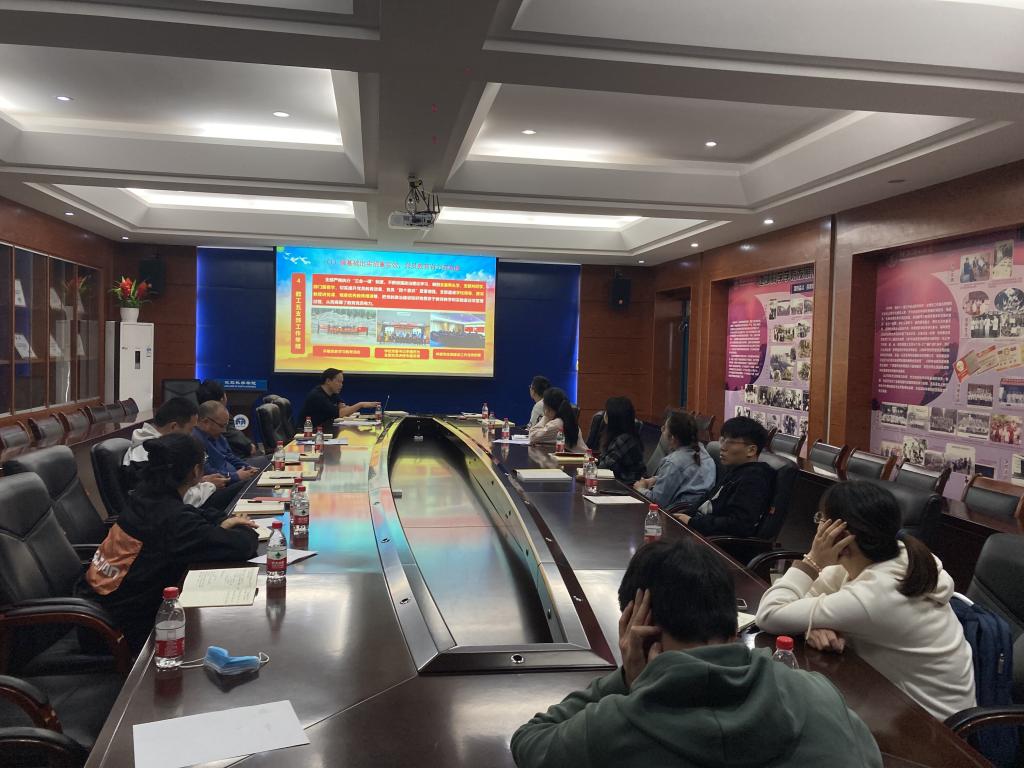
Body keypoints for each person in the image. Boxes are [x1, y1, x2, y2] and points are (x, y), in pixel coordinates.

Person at [511, 538, 883, 767]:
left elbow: (530, 741)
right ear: (733, 624)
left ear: (637, 628)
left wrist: (627, 679)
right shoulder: (819, 695)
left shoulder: (616, 726)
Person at [755, 481, 976, 720]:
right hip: (887, 698)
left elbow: (769, 614)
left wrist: (811, 561)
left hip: (928, 726)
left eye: (821, 519)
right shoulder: (887, 555)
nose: (817, 528)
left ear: (840, 535)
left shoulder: (878, 594)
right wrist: (813, 623)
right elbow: (804, 599)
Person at [78, 434, 259, 652]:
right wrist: (241, 526)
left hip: (100, 610)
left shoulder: (144, 498)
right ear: (196, 471)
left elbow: (197, 514)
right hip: (116, 631)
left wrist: (222, 522)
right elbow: (242, 545)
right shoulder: (172, 520)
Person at [674, 415, 775, 537]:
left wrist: (692, 522)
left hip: (712, 541)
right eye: (722, 440)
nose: (722, 447)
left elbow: (738, 524)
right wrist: (686, 516)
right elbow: (707, 499)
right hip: (698, 530)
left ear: (751, 450)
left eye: (730, 442)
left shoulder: (754, 480)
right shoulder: (736, 471)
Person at [123, 397, 227, 509]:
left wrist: (200, 481)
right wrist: (210, 486)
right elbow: (173, 500)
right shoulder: (149, 454)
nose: (192, 435)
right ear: (174, 427)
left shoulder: (163, 449)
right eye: (191, 429)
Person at [633, 411, 714, 507]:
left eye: (664, 428)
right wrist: (655, 479)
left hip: (674, 513)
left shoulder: (673, 463)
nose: (661, 429)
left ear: (672, 438)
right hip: (696, 510)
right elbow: (686, 478)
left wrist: (640, 489)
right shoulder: (703, 452)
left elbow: (657, 502)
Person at [193, 401, 260, 486]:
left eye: (226, 426)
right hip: (222, 485)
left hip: (233, 476)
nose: (224, 430)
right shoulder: (194, 441)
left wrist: (247, 467)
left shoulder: (217, 435)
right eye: (221, 426)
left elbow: (230, 456)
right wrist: (236, 476)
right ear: (206, 421)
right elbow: (209, 473)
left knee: (262, 468)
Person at [296, 368, 380, 430]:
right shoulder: (317, 396)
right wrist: (360, 405)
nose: (341, 385)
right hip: (308, 433)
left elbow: (345, 410)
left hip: (324, 429)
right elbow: (340, 413)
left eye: (342, 382)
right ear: (328, 381)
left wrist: (344, 410)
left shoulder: (333, 394)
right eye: (339, 382)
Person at [196, 379, 257, 459]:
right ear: (222, 398)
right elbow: (248, 447)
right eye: (222, 426)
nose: (223, 430)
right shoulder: (219, 422)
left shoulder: (197, 418)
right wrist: (249, 446)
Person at [596, 397, 645, 484]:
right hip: (618, 482)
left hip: (628, 486)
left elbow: (604, 467)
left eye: (607, 412)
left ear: (614, 417)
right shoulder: (619, 435)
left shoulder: (625, 439)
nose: (604, 414)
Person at [527, 387, 586, 451]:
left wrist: (546, 416)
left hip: (578, 457)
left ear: (548, 408)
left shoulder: (556, 424)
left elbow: (532, 437)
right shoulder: (566, 420)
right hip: (583, 456)